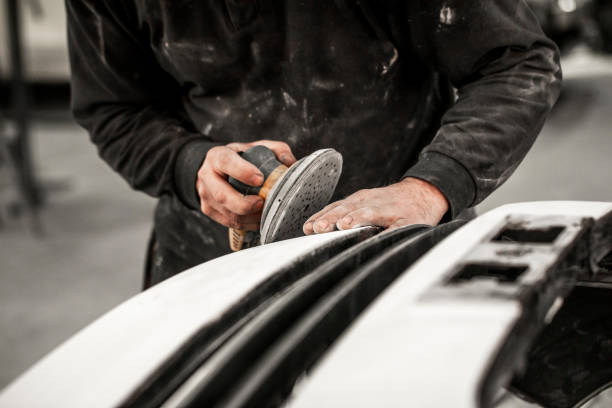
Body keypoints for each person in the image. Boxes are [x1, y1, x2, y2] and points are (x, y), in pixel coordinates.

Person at [65, 0, 561, 287]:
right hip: (206, 260)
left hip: (396, 246)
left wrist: (429, 188)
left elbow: (517, 63)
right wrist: (187, 164)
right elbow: (114, 107)